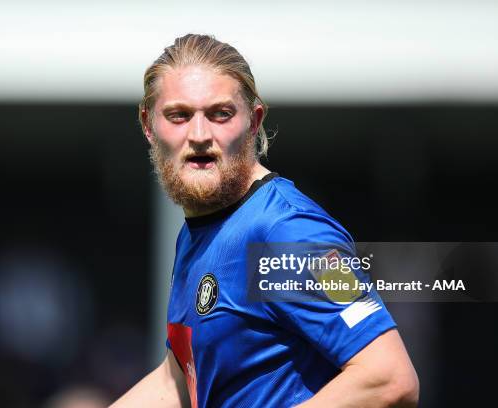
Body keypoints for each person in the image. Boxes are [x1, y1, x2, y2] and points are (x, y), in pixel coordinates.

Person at [111, 34, 419, 408]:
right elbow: (177, 379)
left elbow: (388, 377)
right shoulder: (198, 232)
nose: (199, 135)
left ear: (254, 121)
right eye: (179, 115)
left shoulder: (287, 232)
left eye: (220, 114)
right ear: (148, 125)